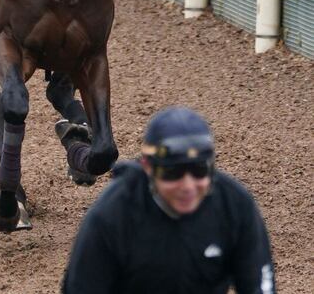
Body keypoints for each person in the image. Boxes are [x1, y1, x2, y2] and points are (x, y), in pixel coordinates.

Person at [62, 106, 276, 294]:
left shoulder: (235, 206)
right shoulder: (111, 215)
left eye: (200, 170)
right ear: (147, 167)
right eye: (173, 172)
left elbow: (259, 285)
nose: (188, 185)